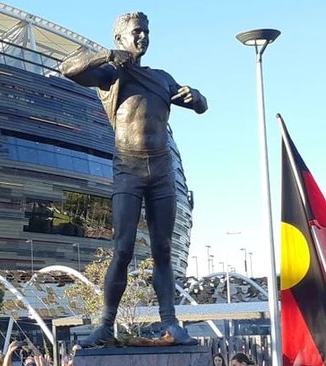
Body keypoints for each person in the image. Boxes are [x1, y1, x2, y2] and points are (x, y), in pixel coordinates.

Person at [60, 11, 207, 348]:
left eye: (146, 32)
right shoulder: (110, 75)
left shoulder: (161, 78)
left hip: (162, 171)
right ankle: (106, 325)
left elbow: (202, 107)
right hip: (128, 170)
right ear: (120, 38)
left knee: (164, 249)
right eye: (137, 32)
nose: (143, 38)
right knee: (123, 249)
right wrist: (107, 55)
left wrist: (196, 96)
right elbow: (67, 68)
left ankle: (170, 321)